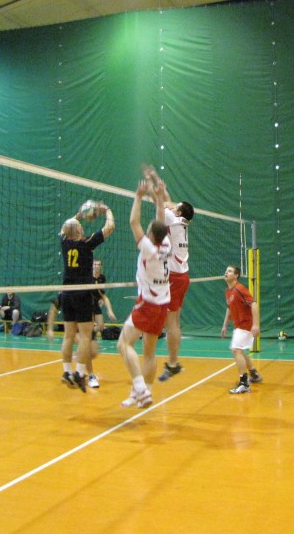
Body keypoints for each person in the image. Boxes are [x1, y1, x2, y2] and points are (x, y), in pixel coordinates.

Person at [117, 178, 171, 409]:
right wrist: (159, 197)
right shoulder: (166, 244)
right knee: (149, 352)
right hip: (162, 305)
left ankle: (139, 386)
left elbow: (133, 221)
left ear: (150, 233)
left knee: (123, 344)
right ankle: (145, 392)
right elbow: (161, 221)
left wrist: (139, 196)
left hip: (148, 303)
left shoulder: (148, 248)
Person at [142, 164, 195, 383]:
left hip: (173, 276)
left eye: (176, 207)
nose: (172, 206)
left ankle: (172, 363)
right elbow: (169, 202)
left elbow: (161, 203)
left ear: (179, 212)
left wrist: (150, 187)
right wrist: (155, 177)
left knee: (170, 322)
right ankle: (173, 362)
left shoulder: (172, 218)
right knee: (173, 321)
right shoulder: (180, 221)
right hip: (182, 275)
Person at [59, 201, 115, 392]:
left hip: (66, 293)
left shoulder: (64, 243)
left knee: (68, 335)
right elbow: (110, 227)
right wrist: (107, 210)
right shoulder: (87, 244)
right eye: (80, 226)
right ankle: (79, 372)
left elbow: (64, 228)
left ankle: (66, 371)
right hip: (82, 293)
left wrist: (78, 216)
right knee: (85, 336)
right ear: (79, 231)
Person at [221, 265, 263, 394]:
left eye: (229, 271)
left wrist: (256, 325)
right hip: (238, 325)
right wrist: (225, 325)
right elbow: (229, 308)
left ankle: (244, 383)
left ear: (236, 275)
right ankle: (254, 374)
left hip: (246, 324)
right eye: (226, 271)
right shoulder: (228, 291)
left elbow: (254, 303)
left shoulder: (240, 289)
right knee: (240, 351)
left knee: (236, 350)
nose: (226, 272)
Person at [47, 292, 102, 388]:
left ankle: (78, 359)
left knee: (93, 352)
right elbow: (53, 310)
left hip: (87, 328)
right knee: (86, 349)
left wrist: (91, 332)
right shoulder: (64, 295)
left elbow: (100, 323)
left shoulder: (92, 297)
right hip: (75, 329)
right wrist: (50, 329)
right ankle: (89, 376)